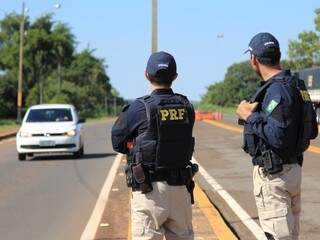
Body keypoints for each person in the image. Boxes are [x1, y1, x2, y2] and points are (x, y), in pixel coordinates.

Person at [236, 32, 318, 240]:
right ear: (278, 55)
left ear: (253, 59)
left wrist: (249, 117)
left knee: (277, 236)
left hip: (275, 175)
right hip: (293, 171)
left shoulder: (276, 91)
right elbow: (312, 130)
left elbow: (278, 137)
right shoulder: (297, 85)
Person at [111, 51, 197, 240]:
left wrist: (137, 147)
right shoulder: (187, 106)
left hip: (149, 191)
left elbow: (117, 142)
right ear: (175, 76)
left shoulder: (139, 107)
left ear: (146, 75)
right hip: (181, 189)